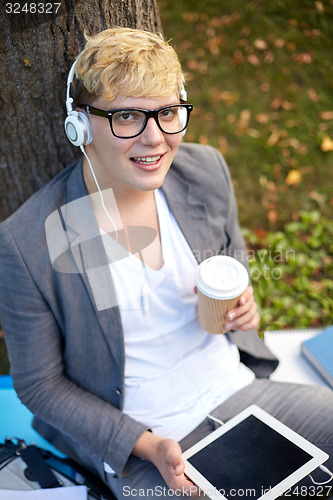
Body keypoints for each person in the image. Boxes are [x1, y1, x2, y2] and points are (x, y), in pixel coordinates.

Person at [0, 27, 332, 499]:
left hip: (240, 394)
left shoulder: (205, 172)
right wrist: (147, 446)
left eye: (167, 113)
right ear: (79, 124)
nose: (155, 138)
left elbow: (233, 267)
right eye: (129, 116)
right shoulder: (27, 240)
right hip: (142, 441)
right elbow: (40, 385)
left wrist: (244, 310)